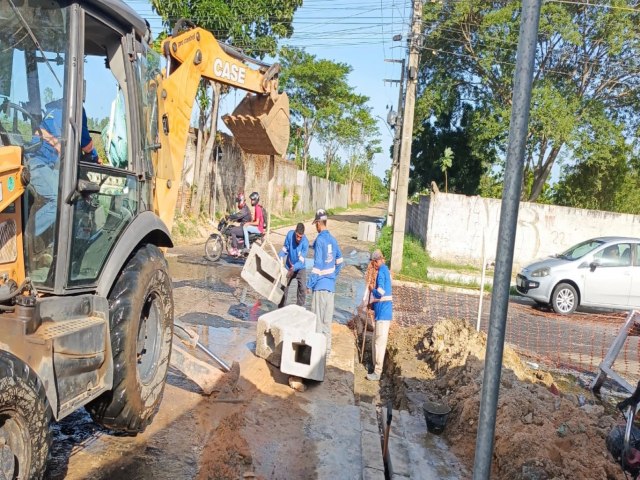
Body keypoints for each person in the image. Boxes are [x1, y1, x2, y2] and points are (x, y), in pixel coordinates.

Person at [28, 104, 98, 240]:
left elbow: (39, 132)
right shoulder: (75, 109)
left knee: (70, 191)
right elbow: (87, 146)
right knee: (60, 198)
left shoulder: (55, 109)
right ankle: (28, 234)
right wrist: (95, 157)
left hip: (44, 163)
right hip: (38, 162)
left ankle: (53, 242)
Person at [307, 208, 343, 357]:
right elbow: (340, 262)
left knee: (317, 321)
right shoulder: (333, 240)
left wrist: (309, 284)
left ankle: (317, 352)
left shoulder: (320, 240)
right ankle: (327, 352)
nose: (315, 227)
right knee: (327, 321)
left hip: (320, 287)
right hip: (330, 288)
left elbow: (317, 266)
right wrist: (332, 276)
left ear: (318, 223)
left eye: (316, 224)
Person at [366, 249, 393, 382]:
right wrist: (373, 305)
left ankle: (377, 372)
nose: (374, 267)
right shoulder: (385, 270)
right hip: (381, 313)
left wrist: (372, 290)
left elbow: (381, 292)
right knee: (376, 343)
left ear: (377, 261)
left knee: (379, 343)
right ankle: (374, 367)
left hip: (383, 314)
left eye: (374, 264)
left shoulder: (382, 271)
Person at [278, 222, 309, 308]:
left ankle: (299, 308)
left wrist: (294, 268)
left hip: (300, 268)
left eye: (300, 237)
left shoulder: (305, 243)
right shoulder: (290, 235)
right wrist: (280, 256)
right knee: (284, 286)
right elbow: (285, 248)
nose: (298, 239)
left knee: (302, 288)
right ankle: (280, 307)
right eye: (297, 236)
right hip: (289, 265)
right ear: (295, 232)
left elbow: (301, 261)